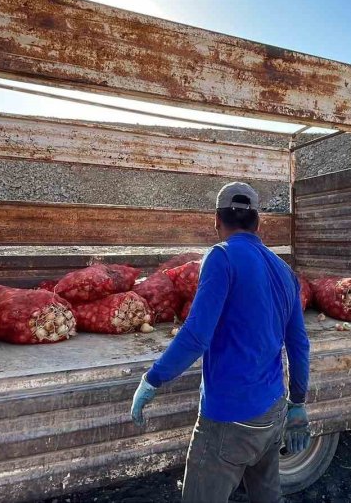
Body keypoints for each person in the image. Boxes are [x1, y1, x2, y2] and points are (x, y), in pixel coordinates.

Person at [130, 182, 311, 503]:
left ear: (216, 220)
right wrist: (297, 405)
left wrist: (152, 379)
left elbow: (197, 335)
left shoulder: (221, 257)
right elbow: (298, 345)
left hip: (230, 418)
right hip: (272, 410)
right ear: (259, 222)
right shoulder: (285, 271)